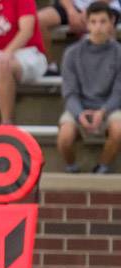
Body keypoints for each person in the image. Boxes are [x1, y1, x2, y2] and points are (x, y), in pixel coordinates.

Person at [56, 2, 121, 174]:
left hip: (109, 107)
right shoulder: (72, 53)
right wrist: (79, 114)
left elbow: (118, 91)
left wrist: (103, 111)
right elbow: (69, 93)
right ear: (86, 23)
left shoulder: (119, 53)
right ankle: (72, 168)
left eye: (102, 21)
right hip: (80, 106)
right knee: (65, 136)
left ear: (112, 21)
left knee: (119, 129)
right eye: (93, 22)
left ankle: (102, 167)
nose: (98, 27)